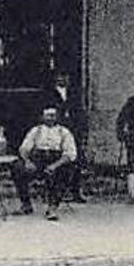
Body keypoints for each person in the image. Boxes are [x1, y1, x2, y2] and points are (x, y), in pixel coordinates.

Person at [13, 105, 78, 220]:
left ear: (57, 117)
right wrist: (27, 162)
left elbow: (70, 153)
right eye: (47, 115)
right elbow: (24, 148)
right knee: (18, 167)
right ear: (43, 117)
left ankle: (52, 208)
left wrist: (55, 165)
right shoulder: (36, 131)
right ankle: (26, 204)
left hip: (56, 160)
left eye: (53, 116)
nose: (50, 118)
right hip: (37, 160)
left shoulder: (64, 132)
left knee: (66, 170)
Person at [44, 72, 87, 202]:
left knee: (76, 160)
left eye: (65, 76)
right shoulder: (49, 94)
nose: (63, 79)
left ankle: (76, 192)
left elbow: (80, 111)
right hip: (57, 131)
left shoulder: (74, 94)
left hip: (73, 131)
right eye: (60, 76)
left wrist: (80, 128)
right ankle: (53, 193)